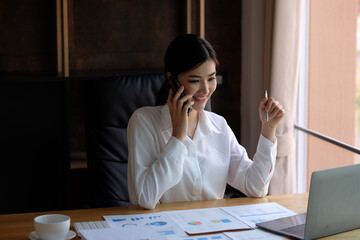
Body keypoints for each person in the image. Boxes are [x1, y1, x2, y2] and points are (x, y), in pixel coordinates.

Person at [127, 34, 285, 209]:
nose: (205, 90)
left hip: (213, 230)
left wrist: (268, 130)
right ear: (172, 79)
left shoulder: (219, 126)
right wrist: (177, 137)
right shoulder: (144, 122)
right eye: (195, 81)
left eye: (211, 78)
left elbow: (255, 187)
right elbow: (146, 198)